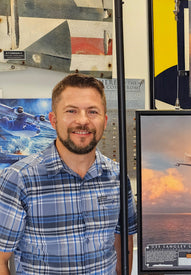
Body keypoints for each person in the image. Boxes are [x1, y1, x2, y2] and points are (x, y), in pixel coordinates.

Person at [0, 73, 137, 274]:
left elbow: (123, 243)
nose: (82, 121)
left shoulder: (117, 177)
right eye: (71, 111)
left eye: (92, 112)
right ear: (53, 120)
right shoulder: (18, 179)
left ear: (105, 120)